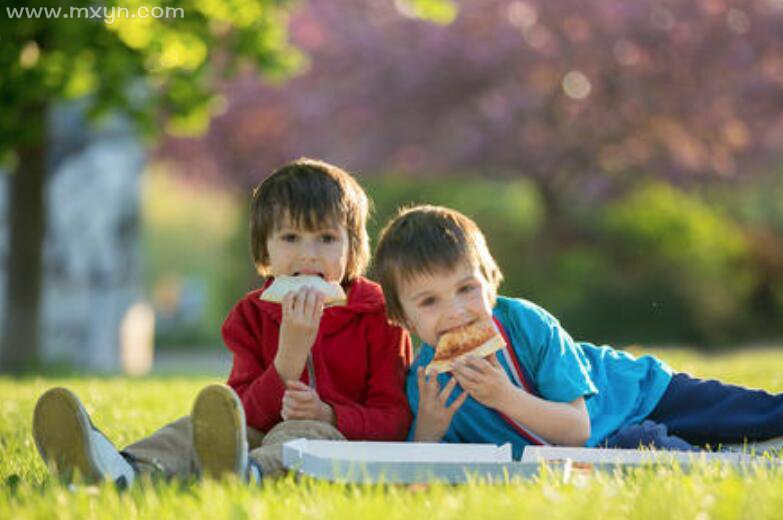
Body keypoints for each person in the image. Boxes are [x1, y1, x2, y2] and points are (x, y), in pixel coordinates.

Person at [33, 159, 412, 485]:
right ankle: (123, 468)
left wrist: (328, 414)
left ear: (353, 249)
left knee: (299, 433)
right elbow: (243, 416)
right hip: (260, 429)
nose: (308, 255)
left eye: (327, 239)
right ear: (265, 249)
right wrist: (287, 361)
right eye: (291, 237)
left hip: (334, 438)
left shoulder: (380, 315)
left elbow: (394, 422)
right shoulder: (250, 315)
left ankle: (248, 473)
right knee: (196, 428)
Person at [372, 204, 783, 459]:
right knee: (656, 454)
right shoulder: (426, 385)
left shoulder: (526, 323)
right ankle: (733, 453)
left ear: (492, 281)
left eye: (467, 288)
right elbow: (422, 470)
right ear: (403, 318)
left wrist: (504, 396)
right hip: (607, 444)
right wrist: (429, 425)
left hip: (639, 394)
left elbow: (575, 427)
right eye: (429, 301)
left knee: (762, 414)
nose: (457, 312)